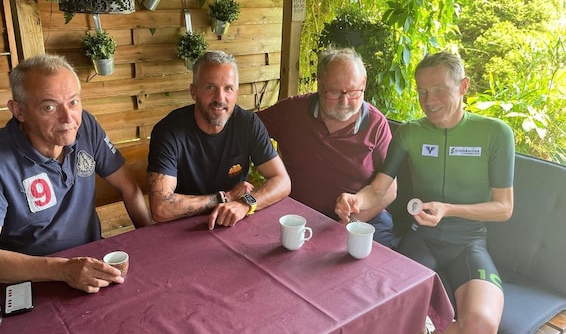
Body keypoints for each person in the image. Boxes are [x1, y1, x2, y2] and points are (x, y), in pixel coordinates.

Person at [338, 51, 515, 333]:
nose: (429, 101)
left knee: (481, 325)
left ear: (464, 86)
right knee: (395, 316)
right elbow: (378, 189)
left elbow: (504, 207)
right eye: (422, 92)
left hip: (469, 243)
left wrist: (448, 209)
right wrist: (355, 200)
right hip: (421, 239)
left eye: (439, 90)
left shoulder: (496, 133)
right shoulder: (410, 132)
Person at [0, 54, 153, 293]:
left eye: (73, 102)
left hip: (92, 267)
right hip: (31, 281)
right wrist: (62, 269)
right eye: (49, 107)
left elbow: (129, 187)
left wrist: (151, 240)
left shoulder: (86, 127)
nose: (68, 118)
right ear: (18, 111)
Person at [257, 47, 396, 247]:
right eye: (335, 92)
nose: (344, 101)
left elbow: (390, 190)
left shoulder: (376, 125)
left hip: (361, 218)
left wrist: (349, 223)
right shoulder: (292, 111)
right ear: (320, 85)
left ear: (363, 84)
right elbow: (247, 129)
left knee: (378, 272)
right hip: (299, 216)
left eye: (354, 92)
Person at [147, 50, 291, 230]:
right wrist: (225, 198)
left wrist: (246, 204)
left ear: (236, 93)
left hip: (232, 222)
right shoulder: (168, 131)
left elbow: (282, 181)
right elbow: (161, 207)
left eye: (228, 88)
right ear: (194, 92)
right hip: (182, 229)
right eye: (210, 87)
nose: (220, 98)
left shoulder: (248, 124)